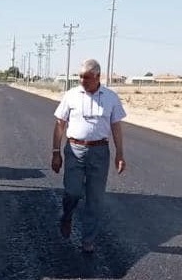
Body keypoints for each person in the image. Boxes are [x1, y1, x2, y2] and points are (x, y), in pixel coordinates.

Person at [51, 58, 126, 254]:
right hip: (75, 150)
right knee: (73, 192)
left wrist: (120, 153)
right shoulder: (71, 95)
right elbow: (60, 124)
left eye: (87, 77)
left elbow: (116, 127)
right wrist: (56, 152)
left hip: (100, 152)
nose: (82, 81)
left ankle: (88, 239)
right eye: (80, 77)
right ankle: (67, 215)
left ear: (98, 77)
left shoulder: (110, 97)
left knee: (95, 199)